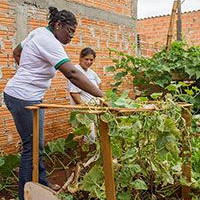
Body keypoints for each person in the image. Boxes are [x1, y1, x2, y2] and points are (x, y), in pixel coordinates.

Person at [3, 7, 103, 200]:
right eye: (70, 31)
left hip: (27, 96)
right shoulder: (49, 41)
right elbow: (72, 73)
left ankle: (40, 183)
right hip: (23, 97)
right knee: (30, 148)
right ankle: (26, 195)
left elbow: (17, 52)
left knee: (36, 146)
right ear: (58, 25)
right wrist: (101, 95)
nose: (71, 37)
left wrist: (27, 71)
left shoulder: (38, 32)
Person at [68, 47, 101, 142]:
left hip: (94, 110)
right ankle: (85, 157)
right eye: (86, 59)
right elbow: (74, 94)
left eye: (91, 60)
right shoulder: (75, 71)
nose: (89, 62)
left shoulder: (92, 73)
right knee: (88, 137)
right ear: (80, 58)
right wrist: (85, 109)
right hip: (84, 112)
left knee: (95, 137)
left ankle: (92, 156)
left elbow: (99, 86)